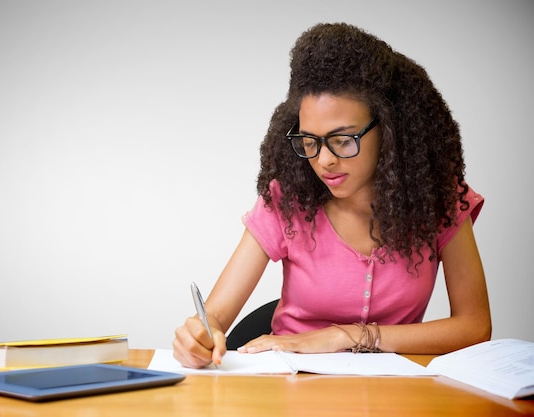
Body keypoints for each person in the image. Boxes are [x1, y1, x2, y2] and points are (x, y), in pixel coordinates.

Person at [173, 22, 491, 369]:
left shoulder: (440, 201)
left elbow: (474, 326)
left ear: (388, 129)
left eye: (342, 140)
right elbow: (215, 316)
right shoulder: (287, 200)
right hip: (291, 384)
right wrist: (199, 335)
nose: (324, 160)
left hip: (394, 392)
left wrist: (347, 335)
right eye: (309, 141)